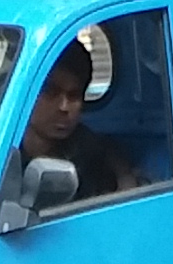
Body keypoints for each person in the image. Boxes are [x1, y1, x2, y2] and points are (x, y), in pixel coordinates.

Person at [22, 41, 139, 200]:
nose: (64, 107)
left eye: (74, 95)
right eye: (51, 92)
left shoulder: (90, 154)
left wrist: (124, 176)